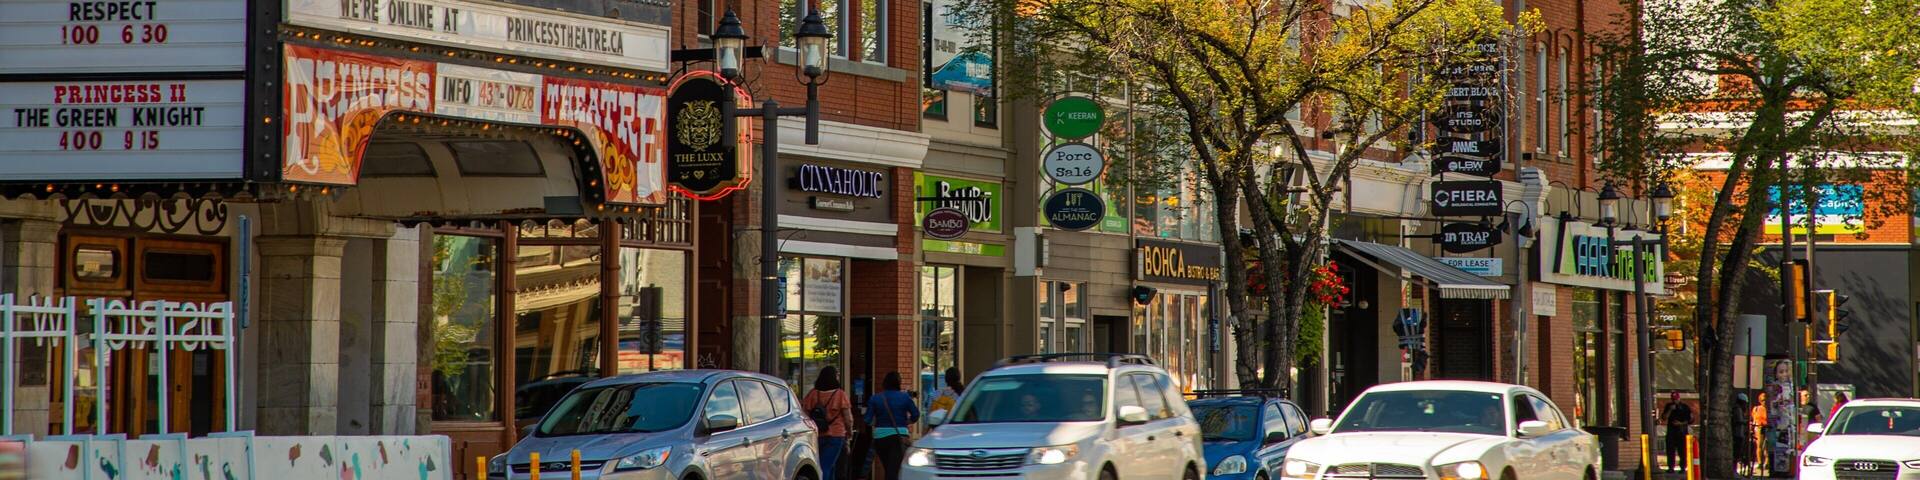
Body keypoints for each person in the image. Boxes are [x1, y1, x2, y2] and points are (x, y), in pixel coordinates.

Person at [803, 366, 855, 480]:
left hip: (818, 435)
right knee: (826, 466)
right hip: (836, 435)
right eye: (837, 375)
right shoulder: (840, 394)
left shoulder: (813, 394)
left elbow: (805, 414)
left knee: (829, 466)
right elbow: (848, 418)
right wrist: (850, 432)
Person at [867, 372, 920, 480]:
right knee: (894, 470)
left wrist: (878, 423)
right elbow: (916, 415)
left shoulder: (875, 398)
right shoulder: (905, 397)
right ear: (899, 383)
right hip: (899, 437)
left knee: (888, 467)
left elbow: (867, 419)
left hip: (880, 438)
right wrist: (906, 422)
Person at [1659, 392, 1693, 472]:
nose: (1675, 401)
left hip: (1682, 431)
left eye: (1676, 399)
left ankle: (1683, 467)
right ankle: (1671, 467)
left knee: (1682, 451)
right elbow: (1664, 417)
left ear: (1679, 398)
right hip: (1671, 432)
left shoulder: (1685, 407)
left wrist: (1680, 423)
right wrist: (1670, 410)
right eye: (1673, 399)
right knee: (1670, 450)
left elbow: (1690, 420)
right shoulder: (1669, 406)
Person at [1751, 392, 1770, 474]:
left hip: (1767, 427)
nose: (1764, 402)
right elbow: (1753, 418)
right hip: (1759, 427)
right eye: (1762, 400)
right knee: (1759, 445)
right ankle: (1759, 462)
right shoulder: (1756, 408)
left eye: (1765, 400)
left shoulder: (1769, 409)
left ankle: (1767, 462)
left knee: (1766, 446)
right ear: (1760, 401)